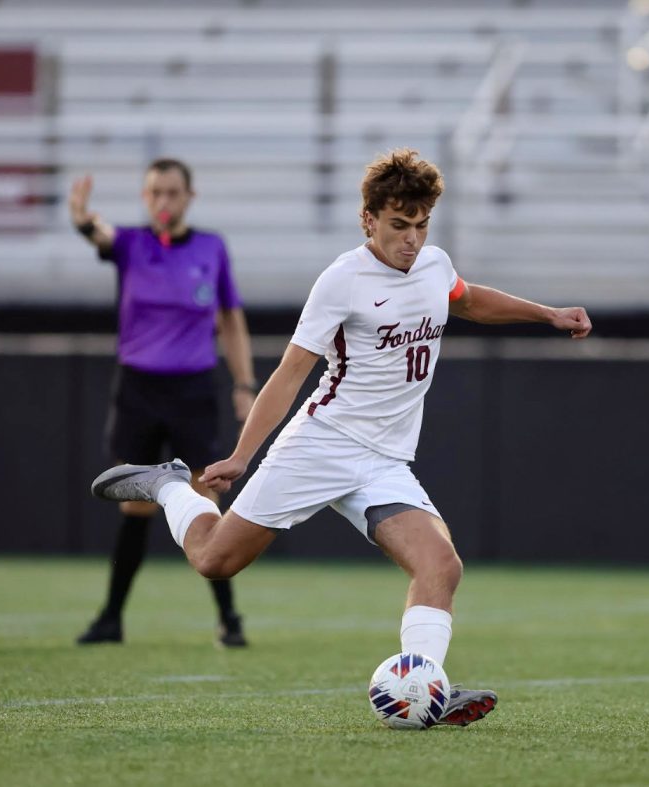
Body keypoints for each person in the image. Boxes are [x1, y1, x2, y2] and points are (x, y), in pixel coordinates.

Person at [90, 148, 591, 725]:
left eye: (422, 224)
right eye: (399, 225)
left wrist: (547, 314)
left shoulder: (434, 265)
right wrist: (241, 457)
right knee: (213, 560)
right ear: (369, 220)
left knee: (441, 565)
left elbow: (469, 300)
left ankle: (425, 683)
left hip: (384, 461)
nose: (412, 239)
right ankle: (170, 485)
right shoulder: (343, 279)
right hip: (321, 444)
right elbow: (290, 373)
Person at [70, 157, 257, 648]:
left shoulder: (211, 248)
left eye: (173, 192)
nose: (163, 202)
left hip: (193, 389)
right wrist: (82, 218)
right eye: (155, 193)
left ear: (189, 197)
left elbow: (231, 320)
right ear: (145, 197)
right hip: (139, 390)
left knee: (204, 498)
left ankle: (229, 620)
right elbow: (99, 234)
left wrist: (244, 383)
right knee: (136, 506)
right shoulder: (131, 244)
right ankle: (111, 618)